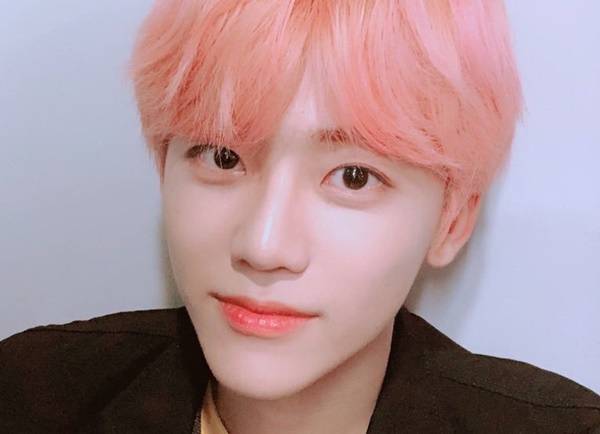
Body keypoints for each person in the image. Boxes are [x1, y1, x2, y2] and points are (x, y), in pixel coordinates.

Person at [1, 0, 599, 433]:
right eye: (223, 156)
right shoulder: (29, 393)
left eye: (354, 176)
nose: (264, 246)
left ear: (451, 221)